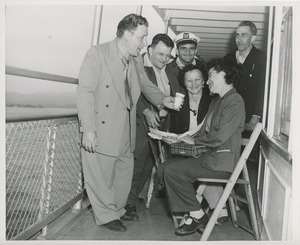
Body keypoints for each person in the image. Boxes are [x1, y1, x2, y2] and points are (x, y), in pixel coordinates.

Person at [76, 13, 178, 233]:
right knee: (100, 175)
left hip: (126, 127)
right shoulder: (98, 54)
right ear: (127, 34)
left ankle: (117, 208)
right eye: (141, 38)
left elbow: (145, 85)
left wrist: (163, 99)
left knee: (123, 172)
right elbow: (85, 93)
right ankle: (106, 215)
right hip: (101, 127)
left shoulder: (133, 61)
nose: (143, 44)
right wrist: (88, 129)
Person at [157, 57, 246, 236]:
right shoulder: (217, 101)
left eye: (210, 75)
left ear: (223, 74)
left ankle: (196, 214)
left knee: (173, 171)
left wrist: (195, 141)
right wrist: (179, 139)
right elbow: (202, 131)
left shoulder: (234, 101)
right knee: (163, 169)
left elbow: (219, 136)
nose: (207, 80)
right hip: (211, 156)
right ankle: (194, 212)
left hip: (221, 161)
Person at [124, 33, 178, 220]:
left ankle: (132, 197)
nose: (164, 59)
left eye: (168, 55)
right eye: (160, 54)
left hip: (161, 125)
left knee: (148, 164)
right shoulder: (139, 67)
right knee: (137, 162)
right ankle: (127, 203)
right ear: (150, 50)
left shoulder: (170, 71)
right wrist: (146, 112)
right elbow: (131, 93)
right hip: (142, 122)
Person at [224, 20, 266, 125]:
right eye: (237, 35)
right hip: (229, 114)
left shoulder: (262, 59)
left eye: (244, 35)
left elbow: (262, 89)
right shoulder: (227, 59)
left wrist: (257, 115)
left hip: (249, 114)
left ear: (253, 38)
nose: (239, 39)